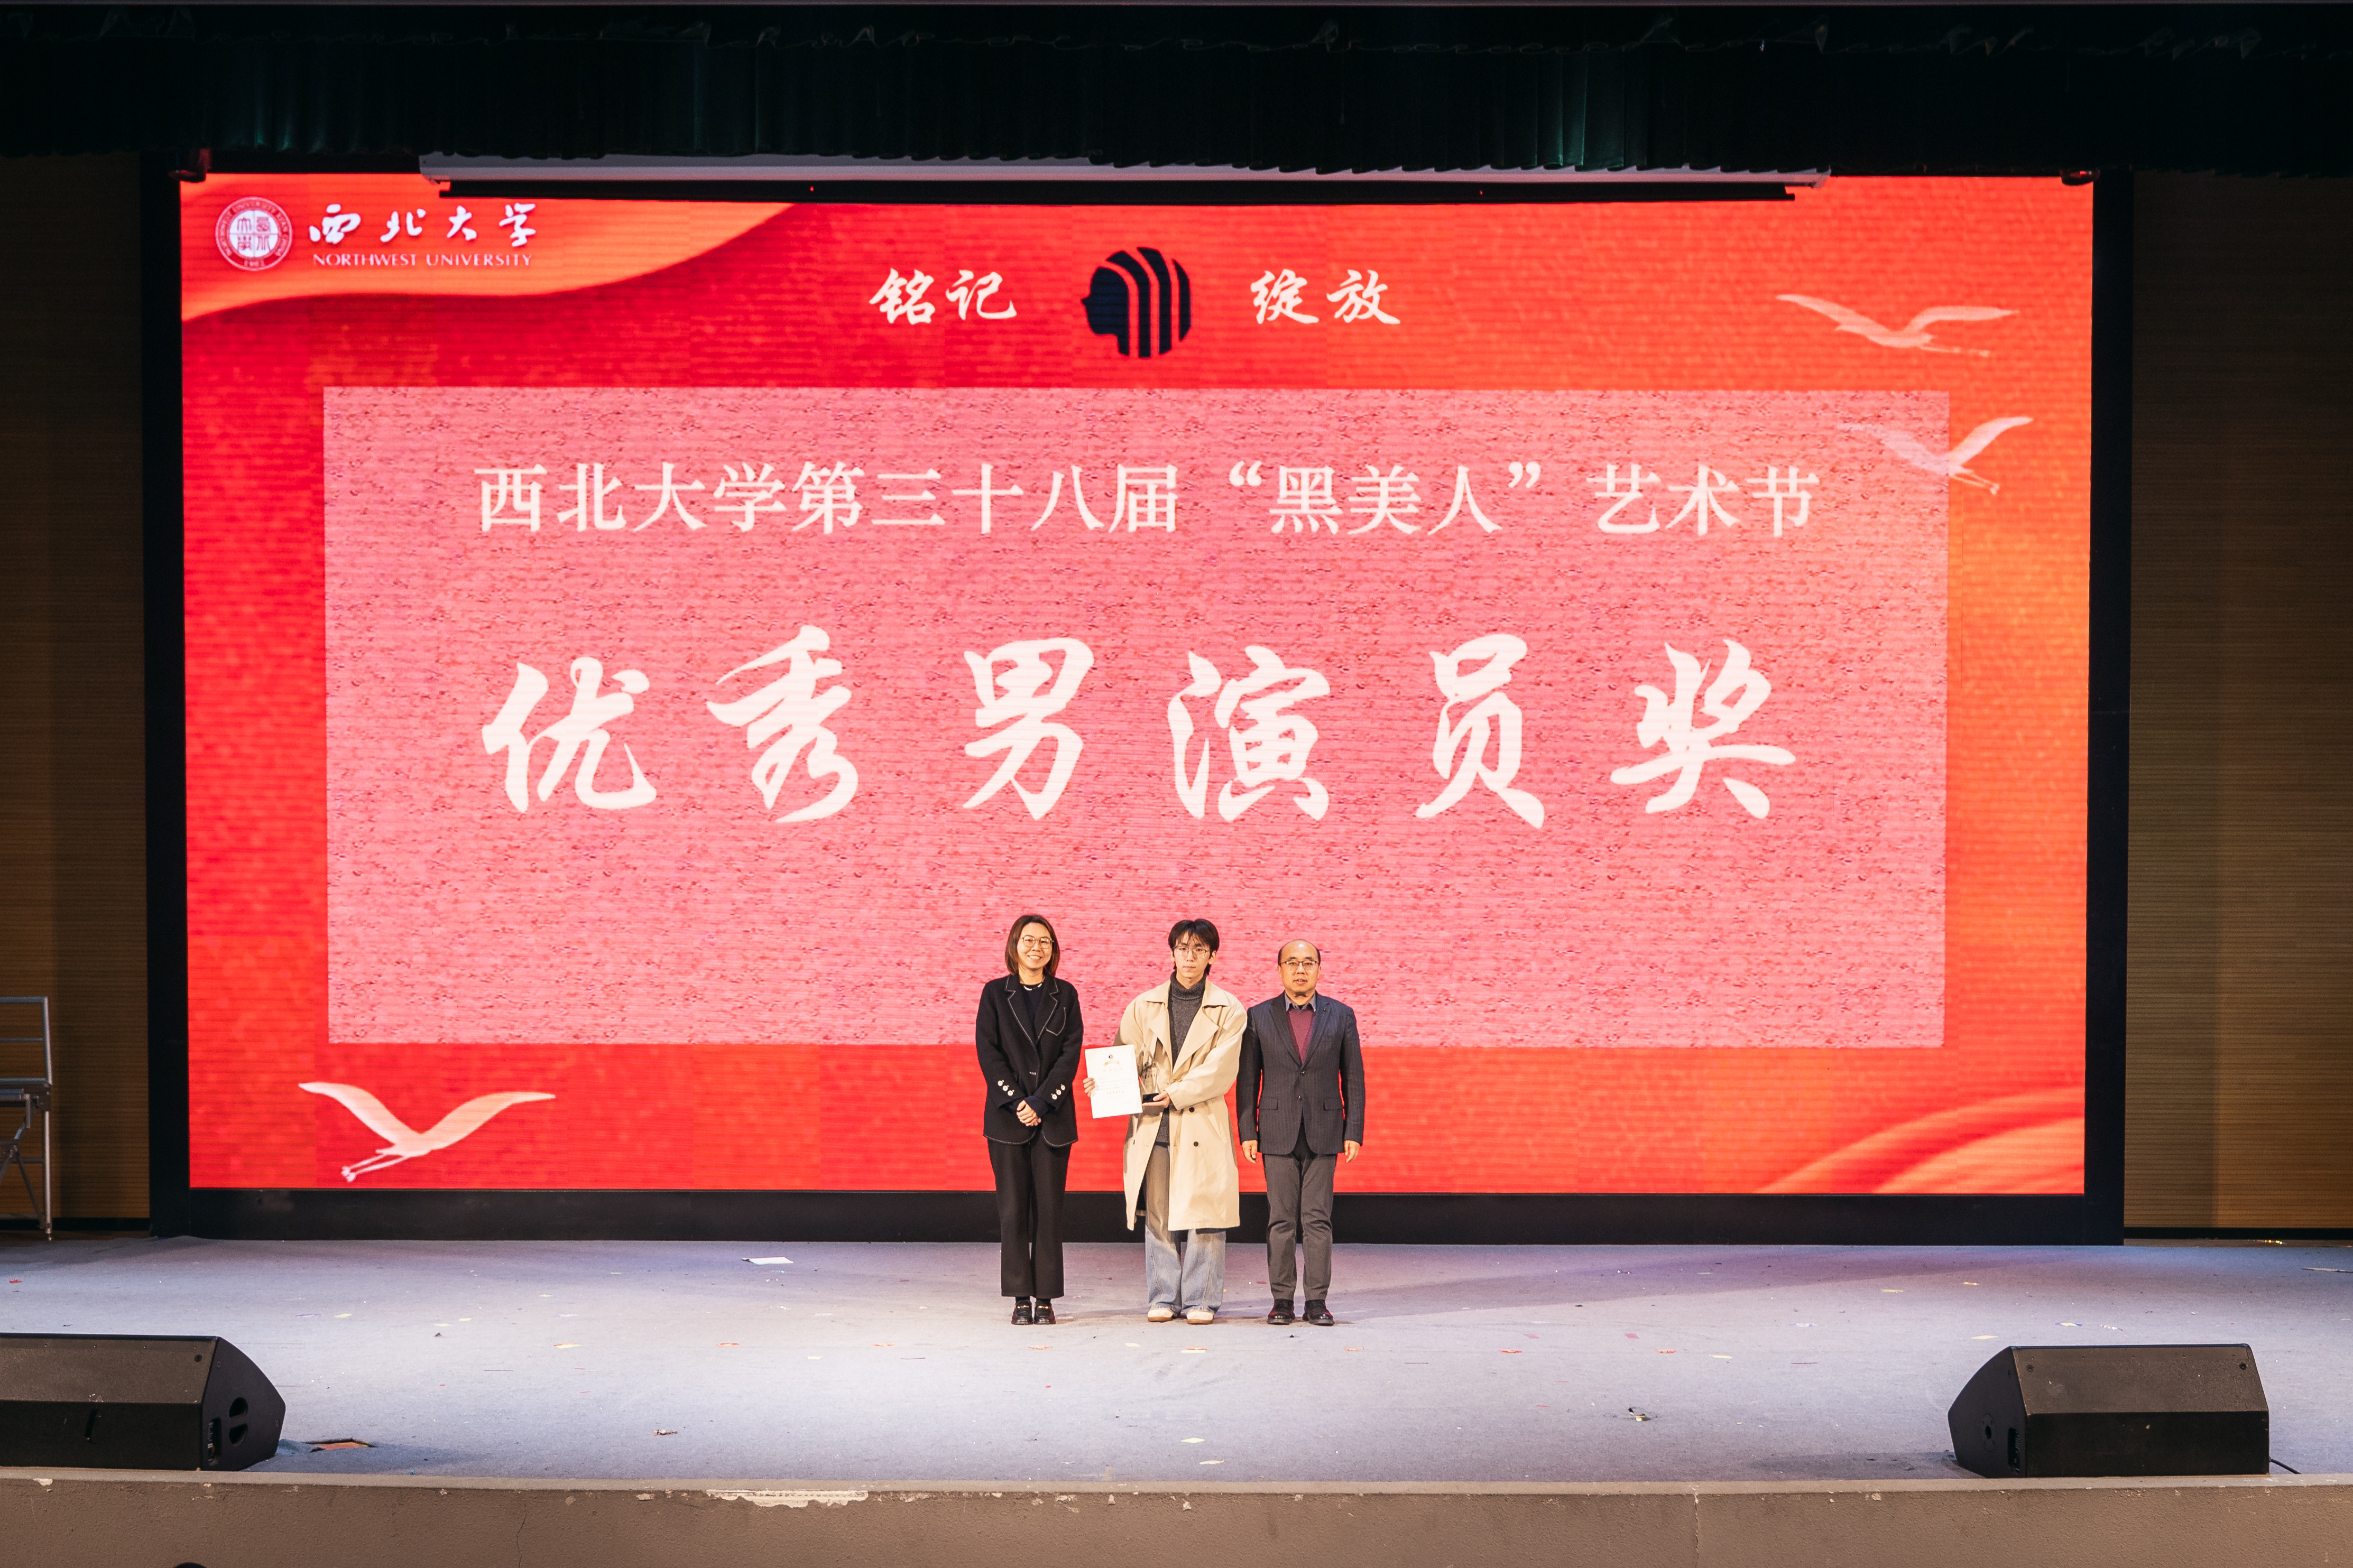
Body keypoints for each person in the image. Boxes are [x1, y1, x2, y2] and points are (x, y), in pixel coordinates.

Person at [1086, 918, 1247, 1325]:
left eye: (1199, 949)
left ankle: (1201, 1299)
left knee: (1205, 1214)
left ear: (1212, 956)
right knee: (1158, 1214)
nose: (1189, 957)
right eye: (1182, 948)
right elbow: (1124, 1056)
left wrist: (1176, 1092)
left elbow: (1221, 1070)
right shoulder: (1143, 1005)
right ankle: (1162, 1295)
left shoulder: (1229, 1008)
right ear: (1172, 952)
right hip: (1155, 1123)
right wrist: (1103, 1082)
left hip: (1201, 1121)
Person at [1239, 940, 1363, 1328]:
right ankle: (1281, 1301)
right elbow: (1248, 1079)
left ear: (1319, 970)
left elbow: (1354, 1077)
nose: (1300, 970)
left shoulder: (1341, 1015)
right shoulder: (1259, 1016)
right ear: (1279, 970)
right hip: (1276, 1130)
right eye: (1292, 962)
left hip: (1325, 1129)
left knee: (1317, 1220)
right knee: (1280, 1220)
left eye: (1308, 963)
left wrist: (1354, 1130)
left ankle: (1316, 1301)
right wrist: (1247, 1130)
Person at [975, 913, 1083, 1326]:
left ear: (1053, 950)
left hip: (1053, 1119)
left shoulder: (1066, 994)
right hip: (1007, 1120)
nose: (1036, 948)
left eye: (1045, 942)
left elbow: (1070, 1054)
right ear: (1014, 945)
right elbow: (989, 1053)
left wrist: (1041, 1102)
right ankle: (1021, 1297)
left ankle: (1046, 1298)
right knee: (1013, 1211)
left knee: (1050, 1212)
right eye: (1029, 940)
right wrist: (1018, 1101)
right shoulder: (994, 993)